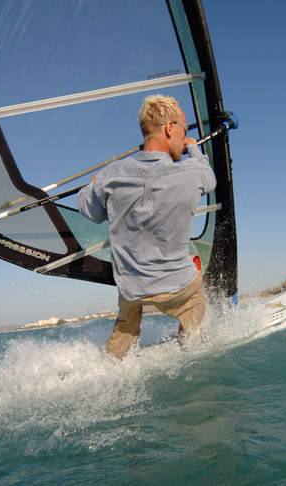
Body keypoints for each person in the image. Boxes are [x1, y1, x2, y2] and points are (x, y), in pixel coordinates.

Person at [78, 94, 216, 359]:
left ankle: (114, 362)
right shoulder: (192, 173)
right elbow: (209, 177)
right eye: (184, 130)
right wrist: (193, 148)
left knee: (125, 326)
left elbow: (89, 210)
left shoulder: (111, 175)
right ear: (169, 129)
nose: (184, 135)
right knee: (196, 310)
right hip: (178, 286)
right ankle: (190, 342)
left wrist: (93, 183)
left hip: (132, 287)